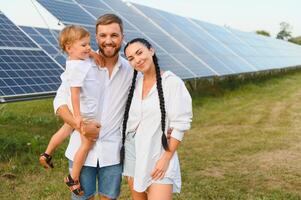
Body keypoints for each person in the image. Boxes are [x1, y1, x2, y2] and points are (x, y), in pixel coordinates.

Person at [53, 14, 134, 200]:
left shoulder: (131, 71)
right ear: (96, 38)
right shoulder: (80, 66)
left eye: (114, 35)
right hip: (80, 150)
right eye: (103, 35)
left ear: (122, 36)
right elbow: (59, 103)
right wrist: (80, 125)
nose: (108, 41)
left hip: (113, 152)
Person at [121, 38, 193, 200]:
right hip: (133, 149)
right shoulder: (135, 84)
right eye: (131, 58)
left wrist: (166, 158)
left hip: (158, 150)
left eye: (139, 53)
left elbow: (180, 124)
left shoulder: (171, 82)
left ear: (151, 50)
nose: (137, 60)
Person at [40, 25, 102, 196]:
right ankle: (72, 177)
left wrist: (92, 53)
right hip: (83, 114)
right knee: (87, 143)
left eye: (89, 44)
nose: (88, 48)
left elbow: (88, 54)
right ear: (69, 48)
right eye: (84, 45)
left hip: (80, 112)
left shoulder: (81, 59)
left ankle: (47, 154)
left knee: (64, 131)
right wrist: (77, 117)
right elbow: (75, 95)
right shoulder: (75, 68)